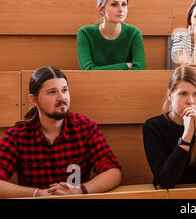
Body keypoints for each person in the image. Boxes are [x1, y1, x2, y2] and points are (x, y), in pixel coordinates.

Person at [0, 67, 122, 198]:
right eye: (52, 92)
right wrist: (37, 193)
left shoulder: (85, 127)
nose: (61, 97)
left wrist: (81, 190)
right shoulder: (18, 135)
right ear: (34, 100)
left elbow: (113, 172)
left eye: (64, 90)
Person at [142, 66, 196, 189]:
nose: (191, 101)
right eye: (183, 94)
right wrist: (187, 135)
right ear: (170, 96)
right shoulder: (153, 127)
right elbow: (165, 182)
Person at [77, 0, 146, 70]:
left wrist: (99, 69)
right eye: (114, 4)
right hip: (95, 83)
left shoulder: (134, 33)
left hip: (127, 83)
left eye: (124, 4)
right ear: (101, 9)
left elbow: (140, 69)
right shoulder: (85, 33)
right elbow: (88, 70)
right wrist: (125, 65)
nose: (121, 9)